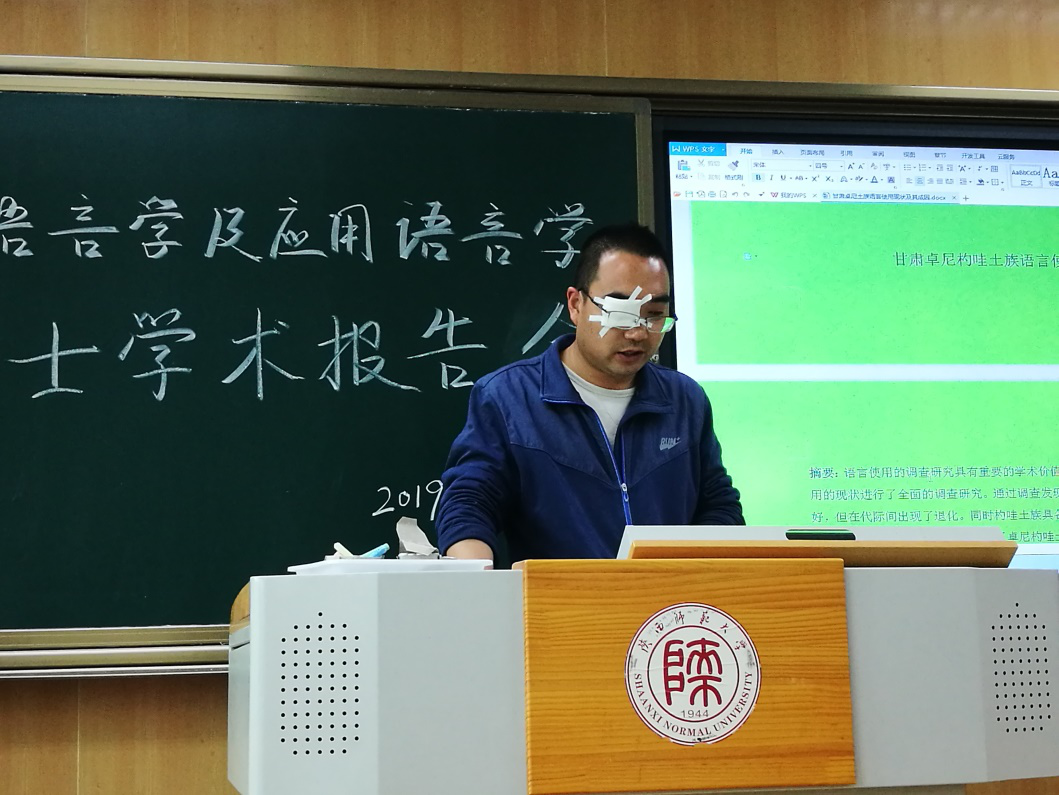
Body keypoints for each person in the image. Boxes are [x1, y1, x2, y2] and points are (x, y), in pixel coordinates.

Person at [435, 222, 743, 563]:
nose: (638, 333)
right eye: (620, 313)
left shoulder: (685, 401)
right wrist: (475, 574)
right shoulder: (508, 398)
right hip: (558, 595)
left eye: (654, 315)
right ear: (575, 304)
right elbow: (469, 503)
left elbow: (719, 506)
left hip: (667, 596)